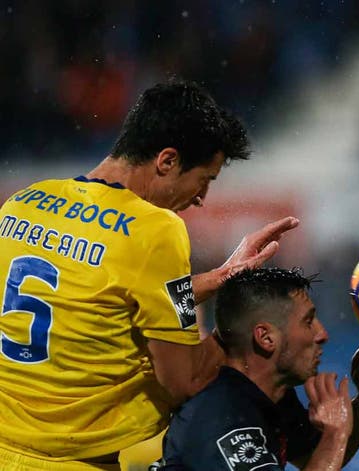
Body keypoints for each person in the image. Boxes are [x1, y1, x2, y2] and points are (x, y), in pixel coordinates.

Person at [0, 81, 299, 469]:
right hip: (69, 461)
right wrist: (245, 329)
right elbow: (185, 381)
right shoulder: (156, 230)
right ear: (168, 161)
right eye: (205, 180)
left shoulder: (25, 203)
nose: (201, 198)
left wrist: (220, 276)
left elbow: (104, 301)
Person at [160, 267, 359, 470]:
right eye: (308, 322)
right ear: (266, 338)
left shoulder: (266, 397)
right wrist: (335, 434)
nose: (322, 334)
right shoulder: (223, 420)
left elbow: (315, 456)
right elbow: (328, 451)